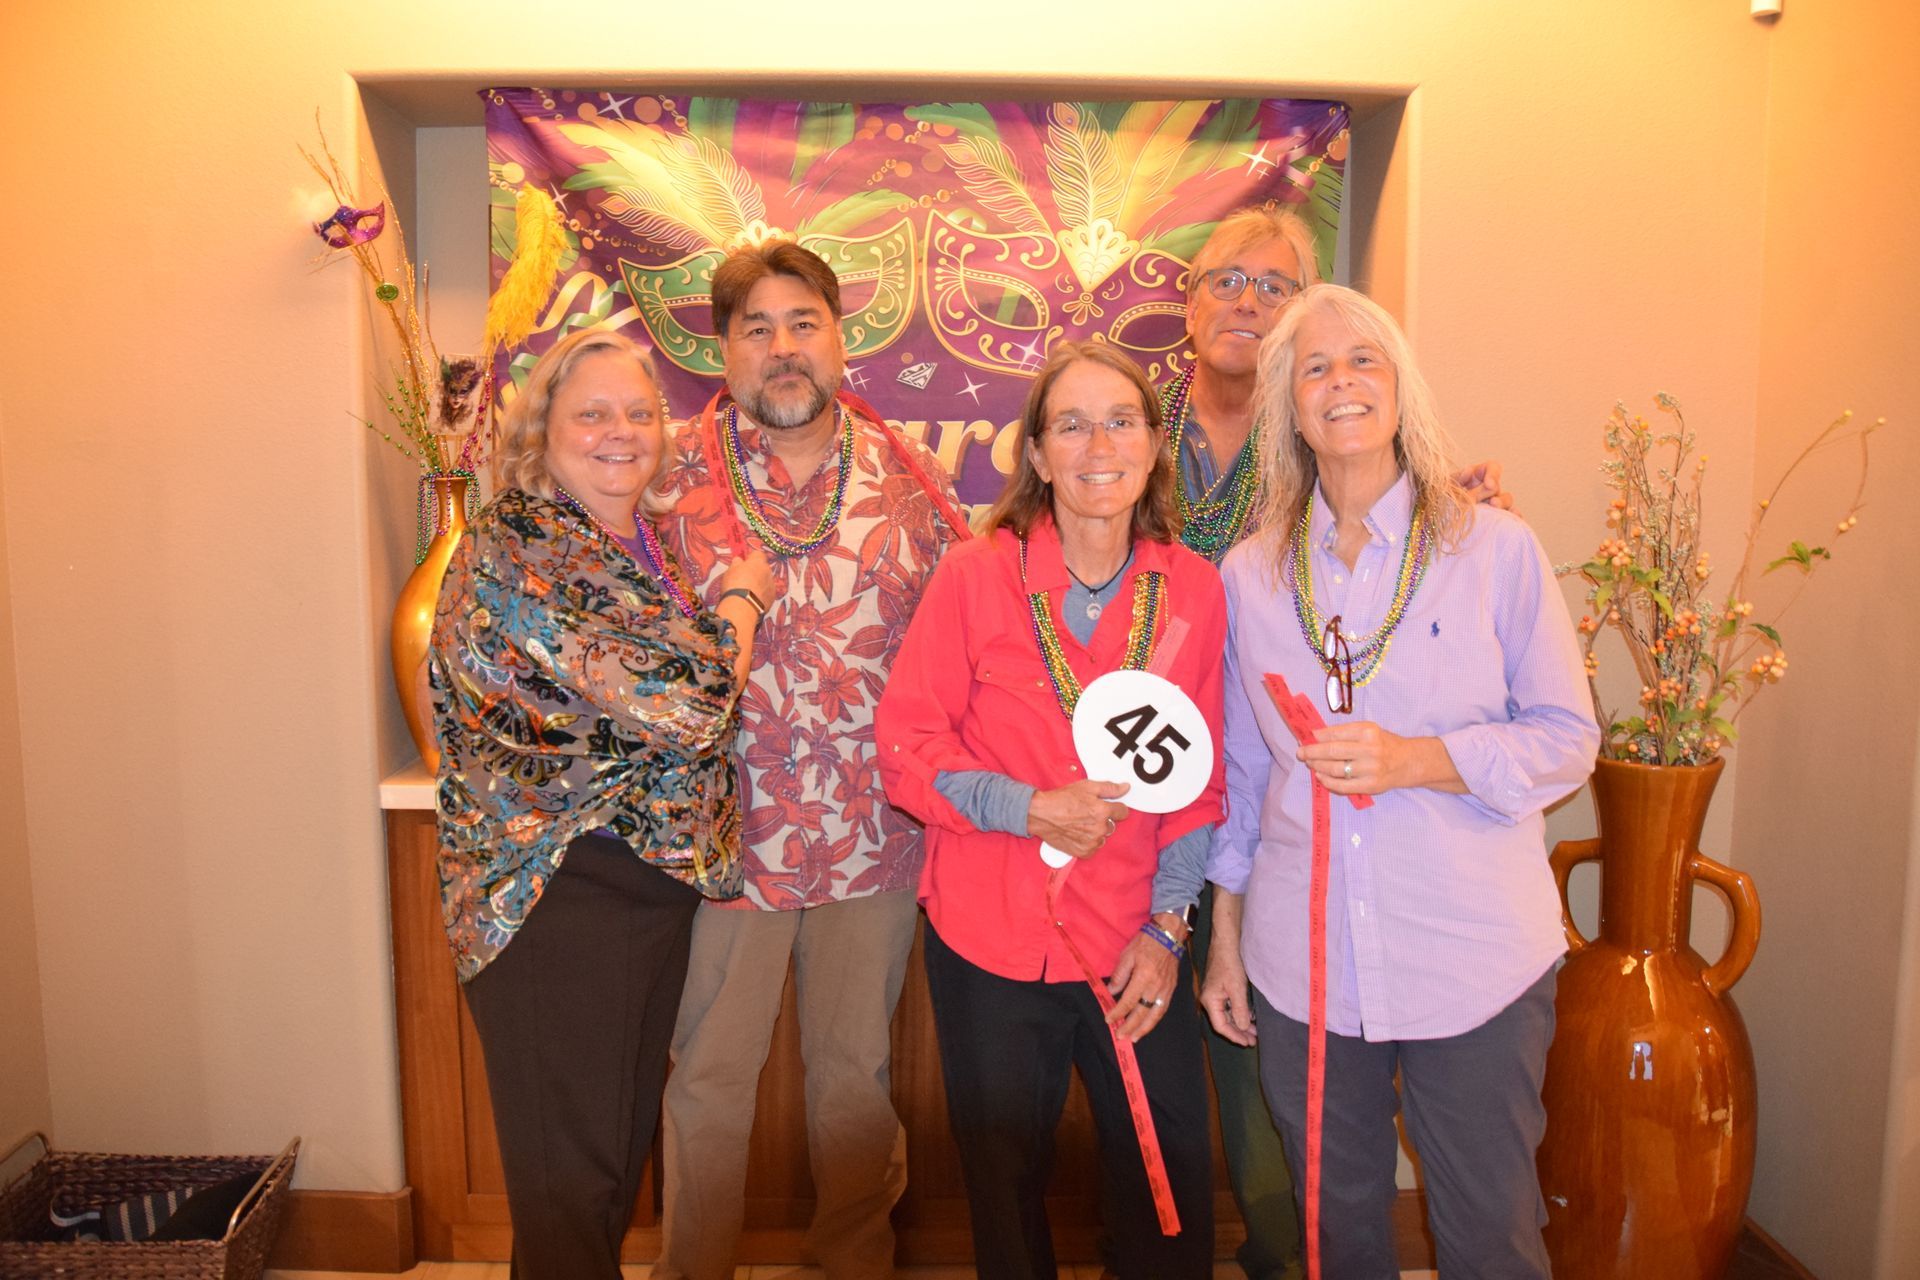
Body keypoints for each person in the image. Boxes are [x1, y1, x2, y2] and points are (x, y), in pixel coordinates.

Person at [1200, 284, 1599, 1278]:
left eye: (1363, 360)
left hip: (1473, 960)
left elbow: (1565, 736)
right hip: (1304, 965)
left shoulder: (1490, 545)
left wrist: (1418, 758)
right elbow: (1246, 771)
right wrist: (1227, 936)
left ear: (1401, 387)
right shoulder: (1250, 575)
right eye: (1315, 369)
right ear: (1287, 406)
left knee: (1489, 1232)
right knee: (1334, 1234)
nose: (1341, 382)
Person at [648, 240, 966, 1280]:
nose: (784, 348)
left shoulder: (912, 482)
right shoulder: (664, 480)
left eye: (804, 323)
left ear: (840, 338)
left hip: (874, 838)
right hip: (724, 841)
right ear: (723, 351)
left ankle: (854, 1264)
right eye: (757, 328)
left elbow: (993, 617)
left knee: (852, 1079)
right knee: (708, 1073)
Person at [429, 329, 776, 1280]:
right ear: (542, 434)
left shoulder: (633, 540)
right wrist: (744, 601)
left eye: (640, 412)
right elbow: (694, 702)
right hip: (557, 903)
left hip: (636, 899)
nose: (621, 432)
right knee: (570, 1189)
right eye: (592, 413)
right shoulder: (523, 542)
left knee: (602, 1178)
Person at [876, 340, 1226, 1280]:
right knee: (1005, 1199)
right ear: (1035, 454)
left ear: (1155, 445)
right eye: (1070, 424)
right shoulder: (975, 575)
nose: (1097, 445)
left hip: (1133, 944)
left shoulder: (1191, 590)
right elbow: (907, 753)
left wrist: (1168, 927)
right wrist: (1029, 809)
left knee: (1169, 1201)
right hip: (991, 940)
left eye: (1120, 421)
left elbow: (1203, 785)